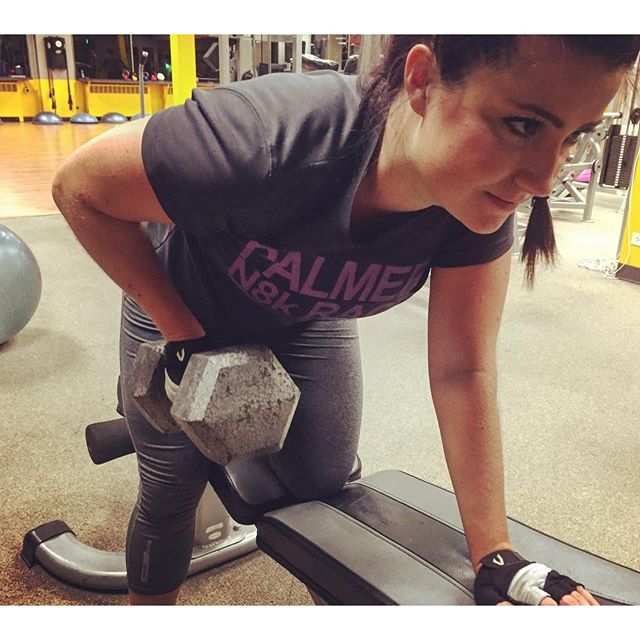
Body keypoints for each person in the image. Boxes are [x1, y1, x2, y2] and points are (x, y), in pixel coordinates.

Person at [52, 35, 640, 606]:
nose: (543, 180)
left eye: (574, 137)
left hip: (306, 313)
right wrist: (183, 338)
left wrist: (496, 555)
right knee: (170, 487)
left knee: (324, 480)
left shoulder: (472, 199)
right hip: (185, 305)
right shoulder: (259, 139)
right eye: (523, 125)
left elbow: (462, 370)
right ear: (421, 80)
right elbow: (79, 188)